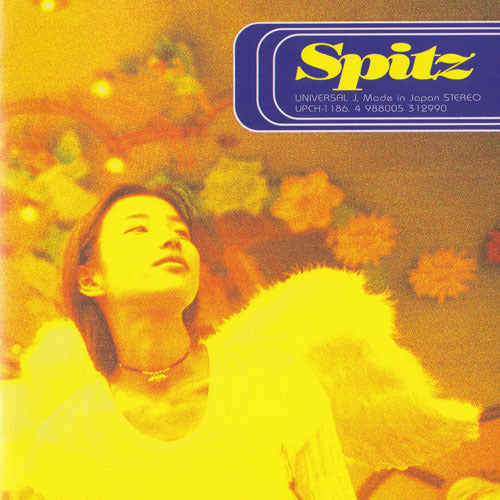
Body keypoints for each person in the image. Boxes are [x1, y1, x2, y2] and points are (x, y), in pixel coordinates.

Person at [25, 184, 357, 500]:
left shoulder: (273, 380)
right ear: (89, 278)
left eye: (181, 232)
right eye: (139, 229)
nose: (171, 239)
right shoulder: (63, 439)